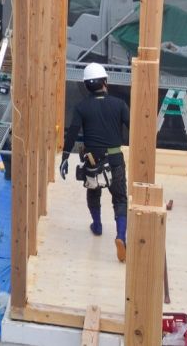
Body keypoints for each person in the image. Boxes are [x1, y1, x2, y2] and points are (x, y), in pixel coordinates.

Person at [59, 62, 130, 262]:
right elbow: (133, 126)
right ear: (105, 82)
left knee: (93, 191)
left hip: (93, 160)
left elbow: (72, 132)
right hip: (115, 159)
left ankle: (97, 225)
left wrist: (65, 157)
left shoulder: (82, 107)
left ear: (86, 85)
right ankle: (120, 236)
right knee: (120, 199)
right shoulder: (119, 104)